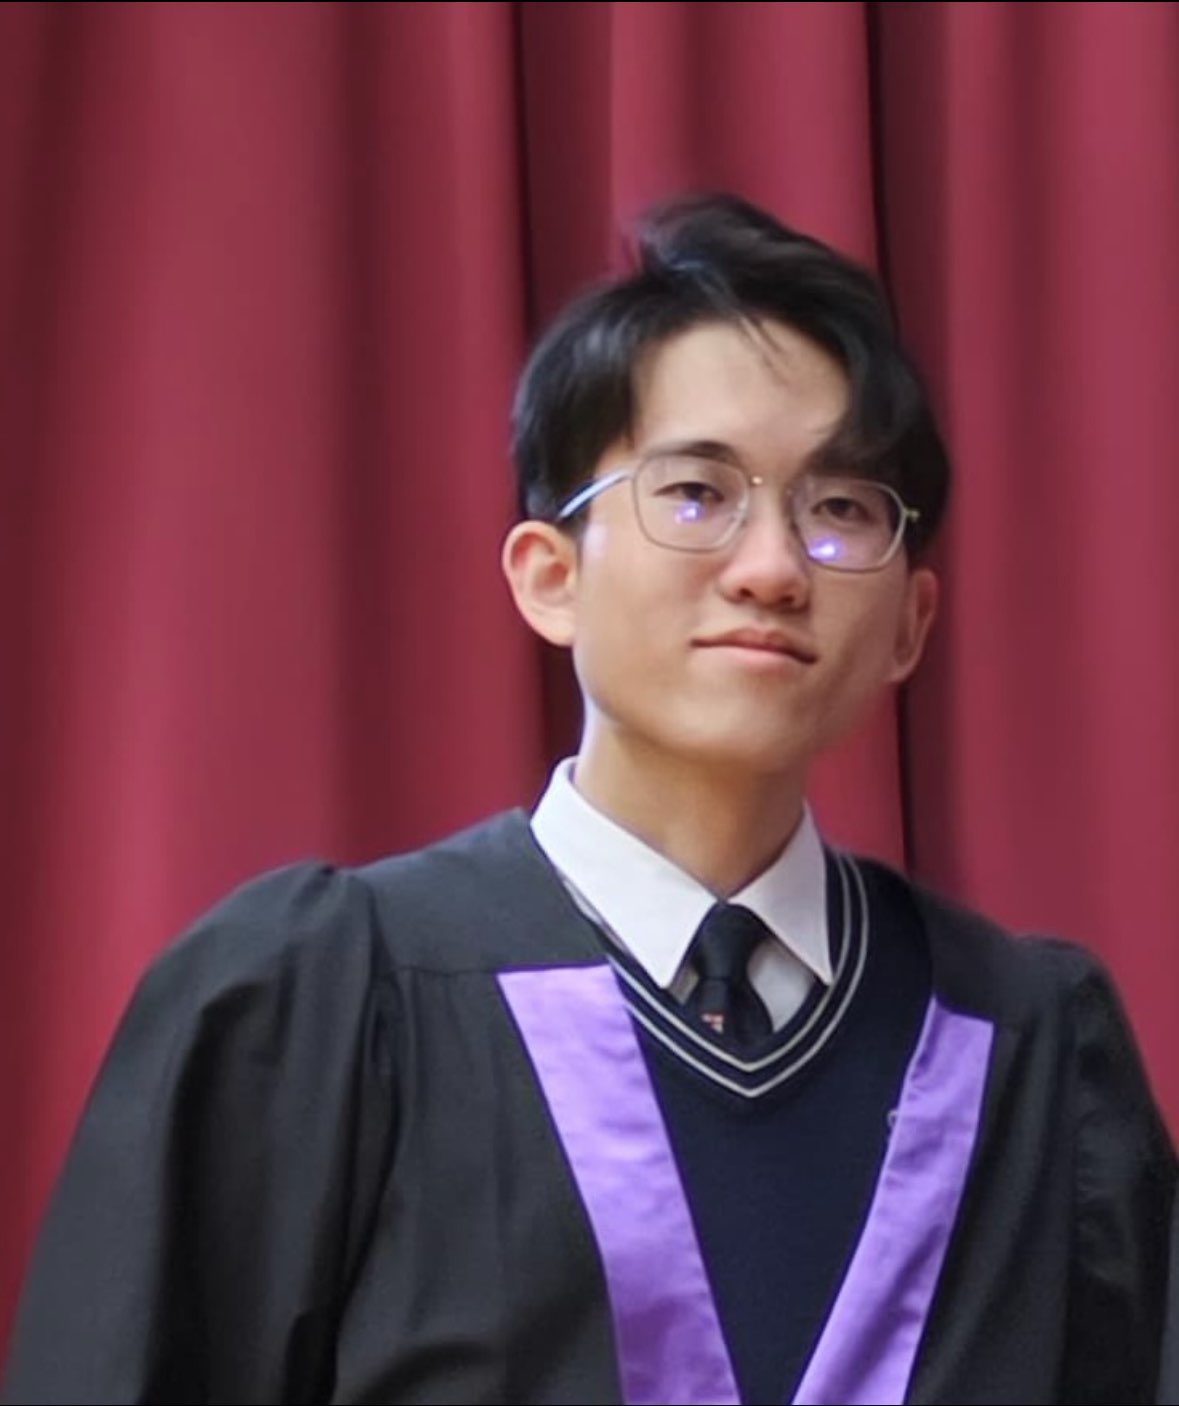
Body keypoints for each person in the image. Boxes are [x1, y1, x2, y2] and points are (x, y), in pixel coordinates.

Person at [3, 193, 1174, 1406]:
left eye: (840, 510)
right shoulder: (335, 1006)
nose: (773, 567)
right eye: (696, 492)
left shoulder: (1030, 1052)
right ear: (549, 576)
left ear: (910, 624)